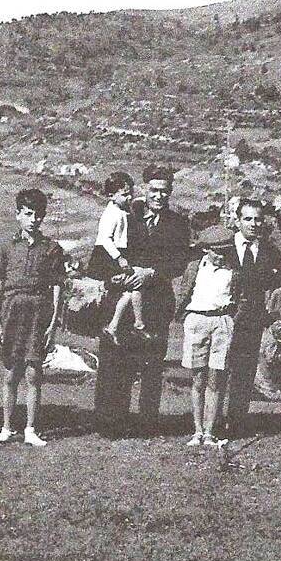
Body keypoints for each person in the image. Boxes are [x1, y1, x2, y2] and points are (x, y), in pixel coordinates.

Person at [94, 165, 190, 436]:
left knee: (152, 365)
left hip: (157, 300)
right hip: (122, 299)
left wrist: (151, 273)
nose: (159, 196)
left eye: (165, 191)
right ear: (144, 189)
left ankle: (147, 424)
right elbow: (101, 251)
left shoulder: (178, 223)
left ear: (171, 192)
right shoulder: (126, 212)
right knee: (114, 361)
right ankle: (110, 422)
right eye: (154, 190)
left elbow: (179, 262)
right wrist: (114, 277)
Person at [0, 188, 65, 447]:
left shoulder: (52, 249)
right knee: (10, 374)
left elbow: (57, 287)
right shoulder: (5, 248)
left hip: (38, 314)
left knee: (33, 374)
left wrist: (52, 324)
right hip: (11, 313)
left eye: (38, 215)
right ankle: (6, 428)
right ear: (18, 214)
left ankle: (31, 429)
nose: (33, 220)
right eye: (28, 214)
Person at [225, 198, 281, 437]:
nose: (254, 224)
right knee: (216, 371)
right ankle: (208, 423)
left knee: (244, 372)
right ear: (237, 221)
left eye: (258, 219)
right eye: (248, 219)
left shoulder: (269, 251)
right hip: (221, 317)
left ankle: (236, 422)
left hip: (251, 321)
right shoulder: (223, 246)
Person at [175, 225, 236, 447]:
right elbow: (184, 292)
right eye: (217, 252)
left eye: (226, 252)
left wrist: (232, 319)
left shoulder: (233, 271)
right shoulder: (194, 267)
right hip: (197, 321)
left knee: (215, 380)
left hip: (222, 322)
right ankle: (197, 431)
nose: (221, 256)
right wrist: (184, 316)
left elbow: (240, 298)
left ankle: (210, 433)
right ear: (205, 249)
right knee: (198, 379)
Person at [88, 171, 152, 346]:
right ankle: (136, 324)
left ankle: (120, 325)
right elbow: (105, 239)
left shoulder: (122, 209)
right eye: (124, 194)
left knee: (132, 289)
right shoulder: (111, 214)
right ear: (111, 195)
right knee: (133, 286)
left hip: (120, 253)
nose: (129, 197)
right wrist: (119, 258)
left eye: (130, 193)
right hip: (108, 256)